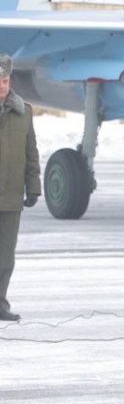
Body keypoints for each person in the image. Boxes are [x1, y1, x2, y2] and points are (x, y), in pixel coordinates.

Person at [0, 55, 41, 322]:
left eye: (4, 80)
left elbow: (31, 153)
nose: (1, 86)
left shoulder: (23, 112)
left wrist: (33, 186)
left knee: (5, 256)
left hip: (11, 197)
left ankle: (0, 304)